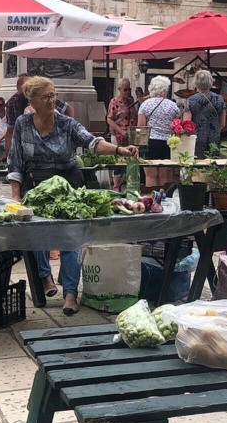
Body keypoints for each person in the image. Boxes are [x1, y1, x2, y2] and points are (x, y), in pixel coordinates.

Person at [8, 76, 136, 315]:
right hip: (36, 188)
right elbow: (15, 162)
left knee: (71, 238)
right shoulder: (23, 124)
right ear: (32, 100)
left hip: (68, 186)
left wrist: (119, 150)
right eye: (46, 96)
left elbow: (92, 142)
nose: (52, 100)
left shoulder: (67, 123)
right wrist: (16, 196)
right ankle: (45, 277)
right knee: (38, 235)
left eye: (53, 95)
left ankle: (70, 293)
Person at [138, 76, 178, 188]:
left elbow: (141, 127)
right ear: (165, 90)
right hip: (167, 142)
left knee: (150, 175)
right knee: (164, 175)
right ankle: (163, 200)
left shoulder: (145, 104)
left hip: (150, 142)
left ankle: (151, 200)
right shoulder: (172, 105)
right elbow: (176, 126)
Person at [183, 69, 225, 159]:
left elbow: (186, 124)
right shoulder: (220, 99)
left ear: (196, 83)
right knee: (212, 165)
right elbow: (223, 124)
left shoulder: (191, 100)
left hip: (196, 138)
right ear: (210, 82)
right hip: (214, 138)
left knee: (196, 166)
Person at [106, 78, 136, 146]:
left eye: (129, 90)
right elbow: (109, 119)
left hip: (129, 136)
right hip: (118, 135)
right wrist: (121, 131)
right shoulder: (114, 102)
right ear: (119, 89)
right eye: (125, 90)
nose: (127, 92)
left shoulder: (131, 101)